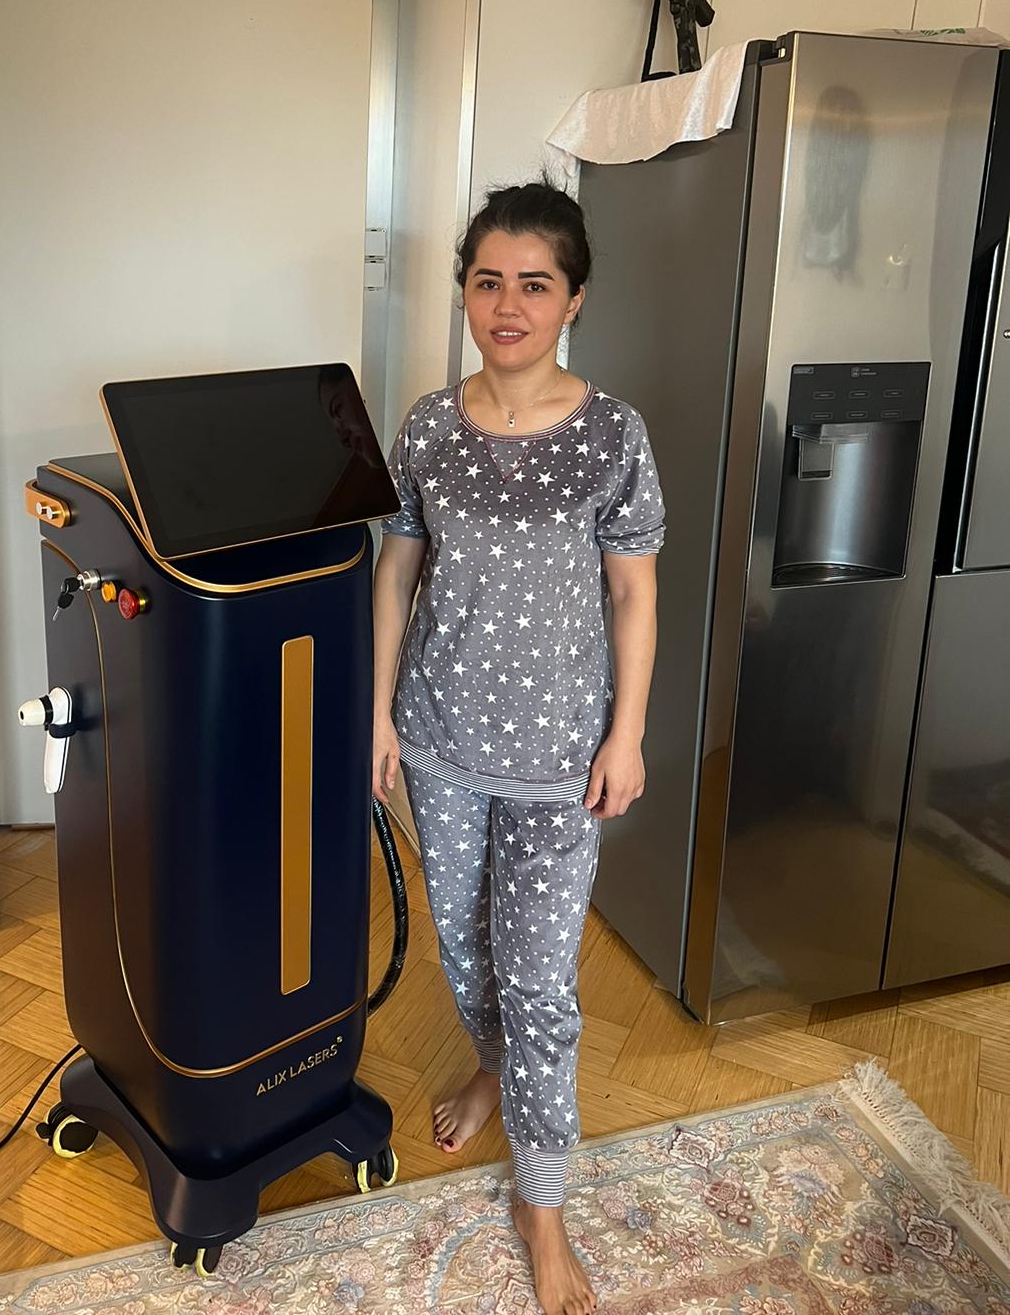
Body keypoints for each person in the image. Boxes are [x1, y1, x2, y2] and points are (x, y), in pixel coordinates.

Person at [372, 180, 664, 1315]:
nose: (508, 305)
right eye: (488, 281)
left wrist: (627, 735)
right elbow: (399, 568)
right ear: (464, 291)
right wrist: (377, 712)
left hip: (559, 761)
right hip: (441, 740)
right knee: (464, 948)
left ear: (573, 300)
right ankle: (492, 1069)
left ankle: (542, 1208)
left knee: (539, 980)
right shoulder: (426, 428)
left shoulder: (613, 435)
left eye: (534, 285)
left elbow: (633, 593)